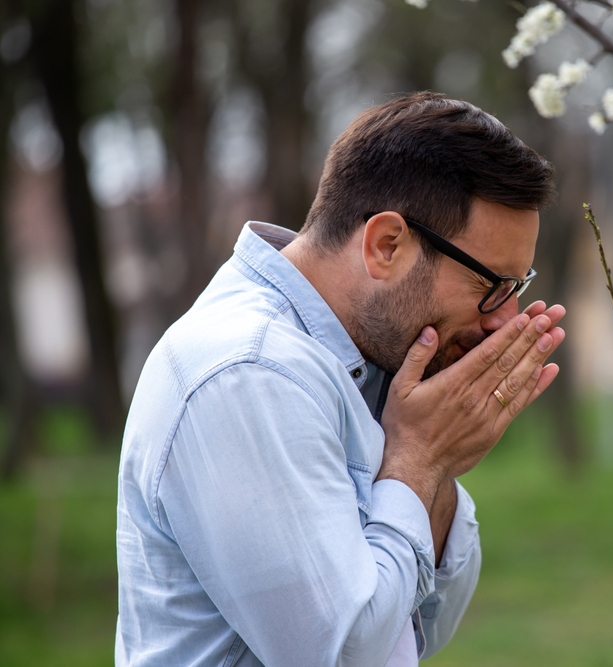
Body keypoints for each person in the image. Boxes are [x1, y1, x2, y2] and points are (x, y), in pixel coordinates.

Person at [115, 91, 566, 666]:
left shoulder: (368, 359)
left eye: (517, 286)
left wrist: (438, 459)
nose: (505, 319)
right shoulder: (249, 373)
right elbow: (343, 653)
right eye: (489, 284)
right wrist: (419, 460)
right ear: (386, 245)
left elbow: (421, 625)